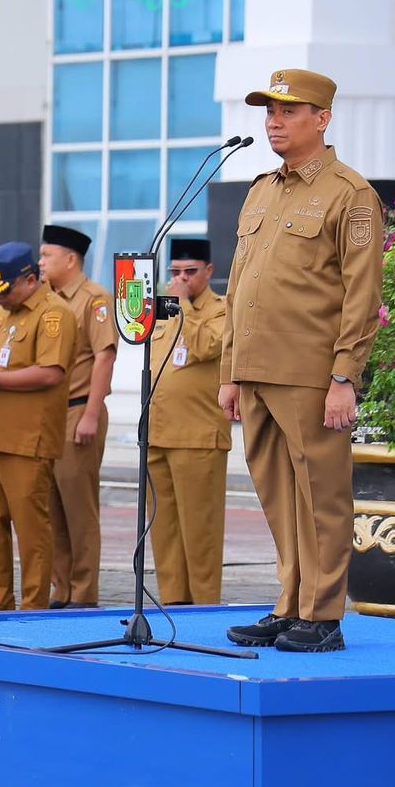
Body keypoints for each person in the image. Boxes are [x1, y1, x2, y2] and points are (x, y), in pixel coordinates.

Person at [223, 68, 384, 653]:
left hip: (311, 374)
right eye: (269, 111)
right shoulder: (262, 188)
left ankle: (322, 615)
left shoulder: (350, 194)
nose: (274, 121)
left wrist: (345, 376)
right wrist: (228, 372)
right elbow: (238, 284)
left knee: (321, 497)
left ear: (323, 118)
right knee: (278, 497)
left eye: (290, 111)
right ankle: (289, 603)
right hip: (256, 370)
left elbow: (362, 295)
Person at [0, 242, 77, 611]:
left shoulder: (54, 315)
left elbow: (50, 372)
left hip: (27, 439)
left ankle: (34, 606)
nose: (0, 298)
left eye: (5, 289)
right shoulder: (2, 315)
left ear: (29, 279)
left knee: (31, 529)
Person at [148, 238, 231, 606]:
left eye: (190, 272)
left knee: (200, 532)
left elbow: (203, 348)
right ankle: (174, 603)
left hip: (198, 435)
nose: (180, 279)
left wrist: (181, 303)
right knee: (163, 530)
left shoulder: (221, 310)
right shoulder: (165, 309)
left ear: (208, 271)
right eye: (175, 273)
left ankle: (204, 605)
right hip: (158, 431)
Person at [39, 225, 118, 608]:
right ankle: (61, 587)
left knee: (78, 507)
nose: (40, 263)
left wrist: (90, 413)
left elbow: (105, 356)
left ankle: (84, 592)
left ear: (70, 259)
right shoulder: (45, 300)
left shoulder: (94, 299)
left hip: (78, 410)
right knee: (52, 505)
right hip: (50, 416)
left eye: (46, 256)